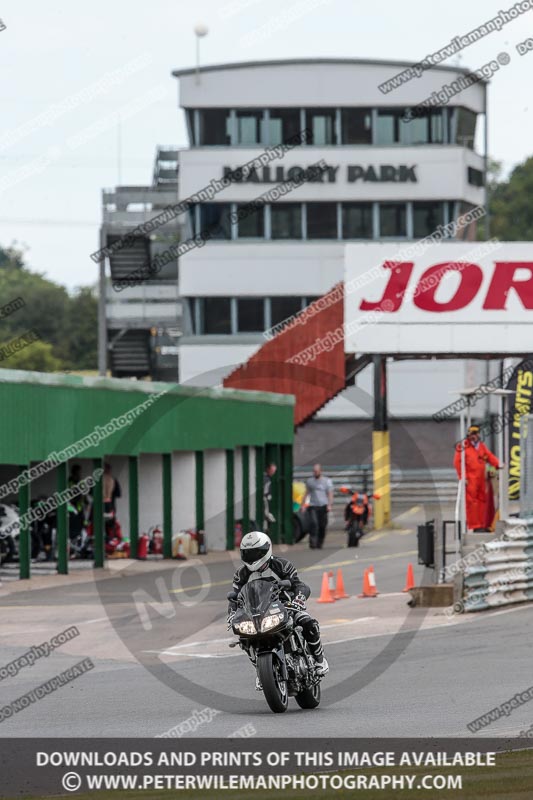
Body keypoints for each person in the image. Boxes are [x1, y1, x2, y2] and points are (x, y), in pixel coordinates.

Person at [227, 531, 329, 688]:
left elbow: (299, 585)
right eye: (248, 553)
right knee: (243, 638)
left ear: (266, 550)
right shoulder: (241, 575)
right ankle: (261, 671)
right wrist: (233, 614)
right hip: (256, 612)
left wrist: (298, 600)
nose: (252, 557)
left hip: (286, 606)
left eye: (256, 552)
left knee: (309, 623)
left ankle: (319, 660)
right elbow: (235, 598)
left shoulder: (282, 565)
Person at [453, 424, 501, 532]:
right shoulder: (463, 446)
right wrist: (462, 476)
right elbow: (457, 462)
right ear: (468, 435)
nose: (474, 436)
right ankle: (475, 526)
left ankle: (482, 524)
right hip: (471, 479)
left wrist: (499, 465)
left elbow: (489, 457)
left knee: (482, 502)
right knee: (472, 503)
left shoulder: (481, 446)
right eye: (472, 434)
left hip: (481, 479)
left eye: (476, 433)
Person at [305, 463, 334, 549]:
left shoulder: (327, 481)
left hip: (323, 506)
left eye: (316, 471)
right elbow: (306, 493)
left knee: (322, 525)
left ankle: (320, 542)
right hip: (313, 505)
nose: (315, 473)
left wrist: (329, 504)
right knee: (314, 523)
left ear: (320, 471)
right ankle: (312, 542)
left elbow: (330, 494)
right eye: (314, 471)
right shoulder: (310, 481)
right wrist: (303, 505)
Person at [263, 462, 277, 532]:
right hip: (264, 499)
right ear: (268, 469)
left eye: (274, 471)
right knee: (267, 515)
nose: (273, 473)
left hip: (267, 499)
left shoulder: (268, 478)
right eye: (272, 471)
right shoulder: (265, 478)